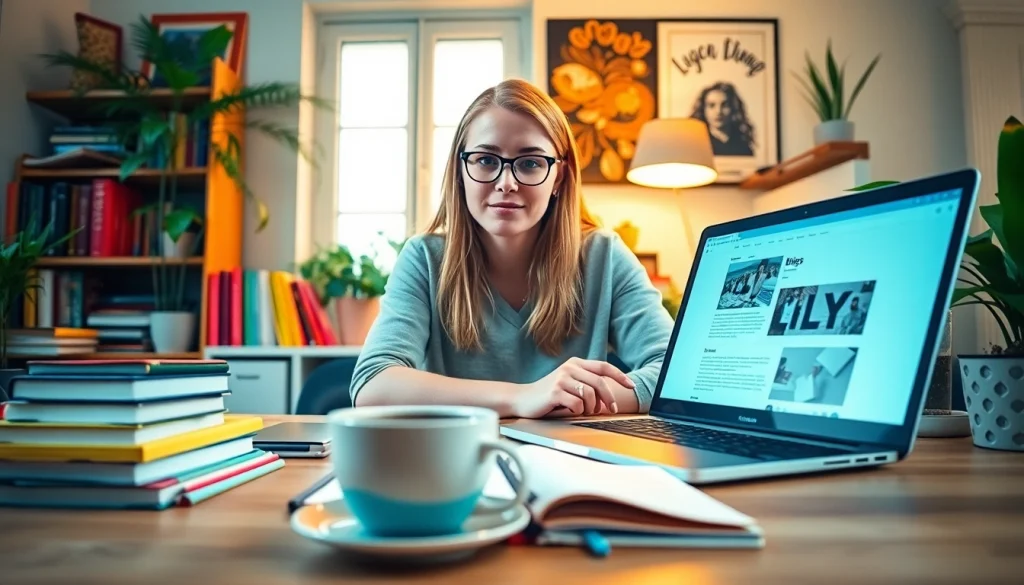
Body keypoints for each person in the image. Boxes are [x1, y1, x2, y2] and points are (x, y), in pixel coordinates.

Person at [348, 78, 674, 419]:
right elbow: (374, 383)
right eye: (487, 160)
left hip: (575, 462)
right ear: (461, 170)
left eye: (531, 163)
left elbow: (676, 374)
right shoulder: (424, 259)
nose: (507, 183)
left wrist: (569, 400)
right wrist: (524, 397)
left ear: (559, 177)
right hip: (453, 461)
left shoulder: (603, 257)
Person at [690, 82, 755, 156]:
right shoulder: (697, 145)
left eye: (724, 105)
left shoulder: (743, 146)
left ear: (733, 108)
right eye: (711, 105)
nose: (718, 111)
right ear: (703, 110)